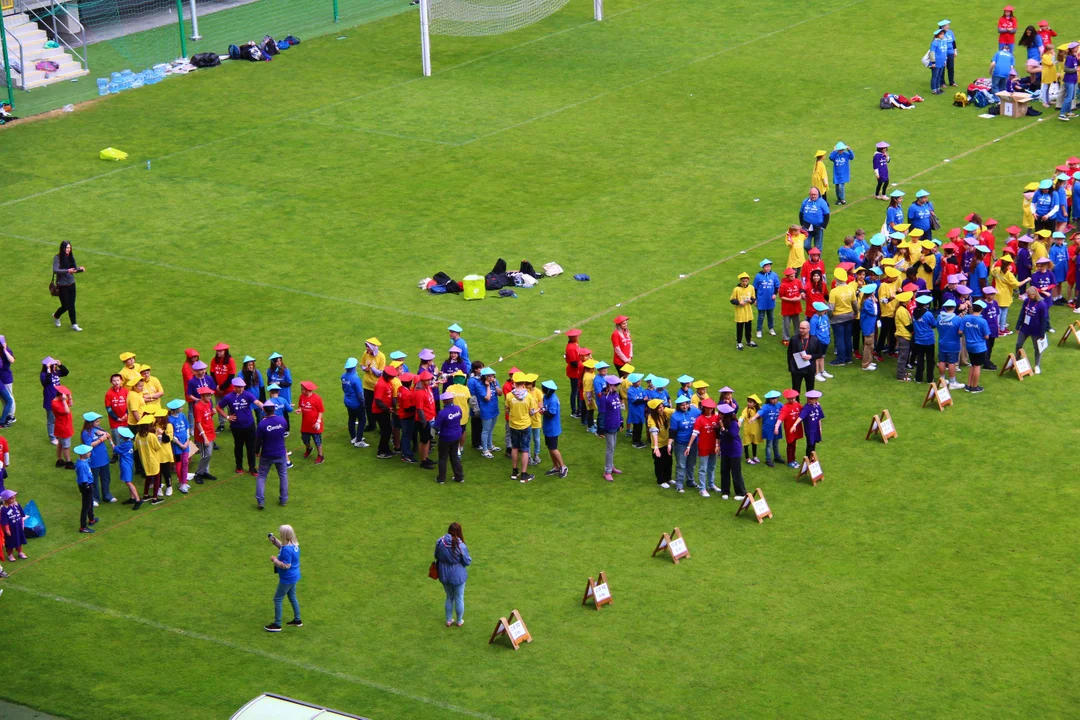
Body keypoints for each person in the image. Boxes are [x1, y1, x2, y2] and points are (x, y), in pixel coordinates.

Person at [218, 377, 261, 475]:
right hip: (237, 427)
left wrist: (263, 406)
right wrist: (227, 417)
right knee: (238, 447)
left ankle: (252, 467)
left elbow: (256, 402)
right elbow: (218, 407)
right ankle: (239, 466)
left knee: (251, 447)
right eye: (239, 387)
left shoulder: (248, 395)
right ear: (234, 387)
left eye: (242, 387)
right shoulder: (228, 397)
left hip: (250, 425)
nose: (241, 389)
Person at [433, 522, 470, 628]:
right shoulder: (461, 545)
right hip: (458, 574)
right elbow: (467, 561)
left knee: (449, 597)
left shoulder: (440, 541)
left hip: (443, 572)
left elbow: (436, 555)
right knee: (459, 598)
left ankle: (448, 620)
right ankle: (459, 621)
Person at [265, 525, 302, 632]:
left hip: (287, 578)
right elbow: (283, 547)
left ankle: (277, 624)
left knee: (277, 599)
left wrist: (275, 560)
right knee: (292, 597)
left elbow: (286, 565)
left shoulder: (286, 549)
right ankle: (297, 620)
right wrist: (274, 540)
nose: (280, 535)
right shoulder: (294, 544)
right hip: (294, 575)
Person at [255, 401, 289, 508]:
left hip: (267, 454)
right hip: (281, 453)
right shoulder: (282, 420)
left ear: (264, 410)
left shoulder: (262, 424)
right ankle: (283, 500)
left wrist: (256, 451)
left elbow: (258, 440)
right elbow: (285, 430)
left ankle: (260, 501)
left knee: (261, 476)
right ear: (274, 409)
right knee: (283, 475)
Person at [506, 372, 537, 483]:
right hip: (525, 425)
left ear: (514, 382)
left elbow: (507, 409)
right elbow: (532, 412)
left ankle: (514, 471)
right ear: (524, 383)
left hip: (513, 425)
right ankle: (524, 474)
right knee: (525, 449)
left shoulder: (509, 396)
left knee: (515, 447)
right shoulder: (528, 396)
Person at [51, 241, 85, 332]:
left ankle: (74, 324)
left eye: (69, 248)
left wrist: (80, 269)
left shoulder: (70, 257)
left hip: (71, 284)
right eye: (66, 248)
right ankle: (56, 316)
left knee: (72, 305)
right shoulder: (57, 258)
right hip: (62, 285)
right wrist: (67, 271)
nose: (68, 250)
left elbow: (73, 269)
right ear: (62, 248)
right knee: (65, 306)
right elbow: (55, 270)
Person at [80, 411, 113, 505]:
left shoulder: (97, 429)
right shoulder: (85, 433)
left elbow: (105, 433)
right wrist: (101, 439)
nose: (99, 423)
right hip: (94, 460)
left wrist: (105, 434)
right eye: (97, 421)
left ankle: (107, 495)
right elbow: (89, 445)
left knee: (106, 477)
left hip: (104, 458)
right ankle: (94, 498)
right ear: (90, 422)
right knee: (93, 480)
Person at [689, 398, 720, 497]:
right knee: (703, 468)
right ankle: (702, 488)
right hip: (703, 447)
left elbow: (719, 433)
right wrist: (689, 446)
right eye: (707, 408)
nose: (709, 410)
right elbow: (695, 433)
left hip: (714, 447)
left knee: (712, 467)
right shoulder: (699, 419)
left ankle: (711, 484)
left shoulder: (717, 417)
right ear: (704, 408)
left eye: (711, 408)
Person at [433, 390, 464, 484]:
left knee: (443, 458)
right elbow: (460, 418)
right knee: (454, 456)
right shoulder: (458, 408)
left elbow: (436, 426)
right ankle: (459, 477)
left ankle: (441, 478)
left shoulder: (442, 413)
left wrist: (431, 424)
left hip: (445, 437)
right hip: (457, 435)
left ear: (444, 401)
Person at [716, 404, 746, 501]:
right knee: (724, 471)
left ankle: (741, 492)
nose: (719, 414)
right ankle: (725, 491)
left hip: (734, 450)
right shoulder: (721, 421)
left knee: (736, 472)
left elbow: (731, 435)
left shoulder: (733, 424)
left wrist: (722, 428)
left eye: (720, 413)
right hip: (725, 450)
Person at [1015, 286, 1048, 373]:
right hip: (1025, 327)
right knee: (1018, 344)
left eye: (1029, 295)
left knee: (1037, 348)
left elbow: (1044, 320)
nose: (1027, 296)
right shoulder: (1027, 301)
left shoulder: (1042, 305)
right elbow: (1022, 313)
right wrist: (1018, 326)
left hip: (1036, 330)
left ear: (1034, 295)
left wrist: (1042, 334)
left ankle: (1037, 365)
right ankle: (1017, 362)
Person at [828, 268, 857, 366]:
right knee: (847, 338)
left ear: (836, 279)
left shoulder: (834, 291)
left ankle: (840, 359)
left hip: (837, 318)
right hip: (849, 316)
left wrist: (830, 317)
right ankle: (848, 358)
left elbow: (831, 308)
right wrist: (856, 313)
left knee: (840, 339)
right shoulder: (851, 288)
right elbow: (855, 303)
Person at [597, 375, 624, 482]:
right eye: (615, 385)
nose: (617, 387)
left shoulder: (616, 394)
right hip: (608, 426)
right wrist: (601, 428)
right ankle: (607, 471)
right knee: (610, 448)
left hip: (615, 424)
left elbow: (618, 410)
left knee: (613, 447)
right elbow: (602, 414)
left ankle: (611, 466)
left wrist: (621, 421)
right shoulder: (604, 398)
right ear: (610, 385)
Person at [538, 380, 566, 477]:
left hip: (553, 428)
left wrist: (541, 410)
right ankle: (555, 467)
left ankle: (563, 466)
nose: (542, 390)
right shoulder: (546, 397)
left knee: (553, 448)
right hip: (547, 427)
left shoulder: (553, 400)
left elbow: (551, 414)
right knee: (550, 448)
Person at [293, 381, 325, 464]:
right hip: (305, 424)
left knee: (317, 440)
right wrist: (299, 410)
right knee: (305, 439)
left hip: (315, 424)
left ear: (308, 390)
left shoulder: (317, 398)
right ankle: (309, 448)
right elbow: (301, 406)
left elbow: (321, 411)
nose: (301, 391)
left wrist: (318, 421)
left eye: (303, 389)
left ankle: (320, 456)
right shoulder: (302, 397)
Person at [340, 357, 368, 449]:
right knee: (362, 420)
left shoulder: (343, 376)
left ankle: (353, 437)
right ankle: (359, 440)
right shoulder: (355, 378)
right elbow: (360, 394)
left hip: (348, 401)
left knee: (351, 419)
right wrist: (364, 404)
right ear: (354, 367)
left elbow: (343, 388)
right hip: (356, 403)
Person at [645, 398, 673, 489]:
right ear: (654, 410)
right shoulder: (651, 418)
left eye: (662, 406)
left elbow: (675, 412)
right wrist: (656, 447)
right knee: (659, 463)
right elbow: (654, 432)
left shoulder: (665, 411)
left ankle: (668, 478)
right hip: (658, 445)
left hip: (667, 442)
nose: (662, 409)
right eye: (659, 407)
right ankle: (660, 481)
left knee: (669, 461)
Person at [40, 356, 68, 445]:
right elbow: (47, 381)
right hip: (50, 400)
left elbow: (65, 372)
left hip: (58, 399)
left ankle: (57, 434)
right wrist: (48, 370)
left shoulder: (55, 372)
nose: (55, 366)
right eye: (53, 365)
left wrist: (61, 365)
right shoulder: (44, 375)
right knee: (51, 420)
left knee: (58, 418)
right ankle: (52, 437)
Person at [192, 386, 217, 483]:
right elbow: (198, 423)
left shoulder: (208, 403)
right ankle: (198, 473)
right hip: (203, 436)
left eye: (210, 395)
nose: (210, 397)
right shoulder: (198, 407)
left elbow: (206, 417)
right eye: (208, 396)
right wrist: (205, 437)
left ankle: (205, 472)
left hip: (210, 432)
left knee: (209, 454)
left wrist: (212, 414)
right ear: (202, 396)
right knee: (206, 455)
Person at [360, 338, 386, 433]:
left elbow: (380, 373)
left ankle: (381, 426)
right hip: (367, 385)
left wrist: (372, 368)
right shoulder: (365, 354)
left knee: (379, 407)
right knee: (368, 406)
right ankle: (372, 424)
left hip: (377, 386)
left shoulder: (381, 356)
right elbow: (362, 365)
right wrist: (365, 369)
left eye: (368, 347)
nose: (367, 349)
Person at [165, 400, 191, 493]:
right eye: (180, 407)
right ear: (176, 409)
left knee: (186, 462)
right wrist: (181, 445)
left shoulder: (182, 416)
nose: (182, 408)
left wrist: (187, 441)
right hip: (177, 446)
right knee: (179, 464)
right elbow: (172, 435)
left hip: (185, 444)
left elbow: (187, 428)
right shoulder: (169, 420)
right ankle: (181, 482)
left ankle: (184, 481)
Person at [114, 426, 142, 508]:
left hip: (126, 465)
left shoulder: (125, 445)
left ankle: (137, 499)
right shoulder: (129, 443)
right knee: (129, 480)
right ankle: (132, 498)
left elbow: (116, 449)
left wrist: (110, 440)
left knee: (128, 482)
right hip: (129, 464)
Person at [475, 367, 501, 458]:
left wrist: (495, 384)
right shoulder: (480, 386)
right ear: (484, 377)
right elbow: (487, 398)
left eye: (492, 376)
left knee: (491, 429)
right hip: (486, 411)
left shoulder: (494, 382)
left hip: (494, 409)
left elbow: (500, 393)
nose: (491, 377)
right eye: (488, 376)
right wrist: (488, 386)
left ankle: (490, 446)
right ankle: (485, 450)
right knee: (486, 430)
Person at [209, 343, 236, 432]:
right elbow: (212, 375)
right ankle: (221, 424)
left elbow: (231, 376)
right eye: (217, 351)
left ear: (225, 351)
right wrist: (217, 387)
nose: (218, 353)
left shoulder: (230, 361)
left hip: (228, 390)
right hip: (217, 390)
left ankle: (232, 423)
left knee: (230, 407)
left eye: (220, 351)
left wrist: (222, 388)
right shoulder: (214, 361)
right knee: (219, 407)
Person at [371, 365, 396, 459]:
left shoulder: (387, 382)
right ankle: (381, 451)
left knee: (387, 430)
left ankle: (386, 449)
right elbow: (378, 401)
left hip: (384, 410)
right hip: (380, 411)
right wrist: (388, 409)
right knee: (386, 430)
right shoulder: (381, 384)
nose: (393, 378)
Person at [912, 295, 938, 383]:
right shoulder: (928, 314)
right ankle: (930, 379)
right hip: (929, 341)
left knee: (920, 359)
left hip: (918, 340)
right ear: (926, 304)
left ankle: (918, 378)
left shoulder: (914, 312)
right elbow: (934, 324)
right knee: (930, 360)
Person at [73, 444, 98, 533]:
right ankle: (83, 527)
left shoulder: (82, 461)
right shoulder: (82, 465)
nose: (90, 453)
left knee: (90, 502)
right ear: (83, 454)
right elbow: (84, 479)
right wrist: (88, 487)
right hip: (86, 486)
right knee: (86, 506)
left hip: (88, 485)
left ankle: (91, 519)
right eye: (88, 452)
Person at [776, 389, 804, 468]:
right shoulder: (785, 407)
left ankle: (793, 460)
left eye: (793, 398)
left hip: (796, 428)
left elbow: (804, 411)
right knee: (790, 444)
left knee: (794, 444)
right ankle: (790, 461)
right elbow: (781, 417)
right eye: (790, 398)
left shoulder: (797, 405)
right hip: (789, 429)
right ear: (787, 399)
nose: (792, 400)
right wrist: (777, 426)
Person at [793, 390, 825, 457]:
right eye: (810, 399)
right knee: (810, 444)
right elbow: (800, 417)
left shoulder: (817, 406)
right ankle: (808, 459)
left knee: (814, 444)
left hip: (816, 429)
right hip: (809, 430)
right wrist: (795, 425)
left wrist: (820, 428)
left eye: (814, 399)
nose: (812, 400)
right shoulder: (806, 408)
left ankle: (812, 458)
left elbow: (819, 418)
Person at [753, 259, 780, 338]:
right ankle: (759, 330)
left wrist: (775, 294)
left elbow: (777, 286)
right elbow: (755, 288)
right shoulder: (758, 276)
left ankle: (771, 329)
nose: (768, 268)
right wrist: (755, 299)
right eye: (766, 267)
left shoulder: (774, 275)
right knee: (761, 316)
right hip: (761, 300)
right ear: (763, 267)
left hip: (770, 300)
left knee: (770, 316)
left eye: (769, 266)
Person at [787, 321, 816, 394]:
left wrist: (811, 356)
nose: (801, 330)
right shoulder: (794, 339)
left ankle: (810, 405)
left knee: (810, 390)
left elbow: (819, 353)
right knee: (795, 391)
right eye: (800, 328)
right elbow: (789, 354)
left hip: (809, 369)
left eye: (803, 328)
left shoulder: (815, 340)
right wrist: (791, 368)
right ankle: (796, 405)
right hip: (797, 369)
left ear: (808, 329)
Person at [731, 272, 757, 350]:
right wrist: (739, 302)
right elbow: (732, 300)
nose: (744, 282)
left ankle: (748, 341)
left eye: (746, 281)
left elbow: (753, 298)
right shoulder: (736, 289)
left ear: (748, 281)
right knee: (740, 328)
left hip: (748, 312)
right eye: (743, 281)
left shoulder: (751, 288)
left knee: (748, 327)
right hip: (740, 312)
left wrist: (750, 301)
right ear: (740, 281)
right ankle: (739, 342)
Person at [799, 187, 830, 252]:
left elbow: (827, 215)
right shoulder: (805, 202)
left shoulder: (822, 202)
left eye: (814, 194)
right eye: (811, 194)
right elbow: (801, 213)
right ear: (809, 194)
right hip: (806, 228)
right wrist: (802, 224)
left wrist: (823, 226)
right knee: (806, 245)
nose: (813, 196)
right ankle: (812, 256)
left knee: (818, 248)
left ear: (818, 194)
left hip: (818, 228)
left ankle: (817, 260)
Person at [758, 391, 783, 468]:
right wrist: (753, 418)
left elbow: (786, 410)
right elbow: (760, 412)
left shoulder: (780, 405)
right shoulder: (766, 406)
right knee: (769, 444)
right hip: (769, 428)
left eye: (776, 398)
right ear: (769, 399)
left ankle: (776, 456)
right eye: (773, 399)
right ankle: (768, 459)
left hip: (777, 428)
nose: (775, 400)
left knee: (776, 443)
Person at [893, 291, 914, 381]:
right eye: (909, 299)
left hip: (904, 335)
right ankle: (900, 376)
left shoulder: (902, 309)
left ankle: (903, 371)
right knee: (903, 356)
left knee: (904, 355)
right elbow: (908, 325)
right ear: (905, 301)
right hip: (903, 335)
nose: (910, 300)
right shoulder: (902, 311)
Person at [52, 384, 74, 469]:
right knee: (66, 446)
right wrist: (65, 401)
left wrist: (69, 395)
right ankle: (68, 462)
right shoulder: (56, 404)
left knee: (60, 444)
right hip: (63, 427)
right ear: (60, 395)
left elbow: (71, 404)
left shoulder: (59, 400)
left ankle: (59, 460)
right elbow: (67, 411)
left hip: (64, 426)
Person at [779, 268, 804, 343]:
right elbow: (781, 296)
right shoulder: (783, 285)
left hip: (796, 307)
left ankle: (797, 337)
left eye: (794, 276)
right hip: (787, 308)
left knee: (797, 323)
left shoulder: (798, 281)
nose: (793, 278)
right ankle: (786, 338)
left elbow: (801, 290)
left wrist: (799, 297)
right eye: (791, 276)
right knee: (786, 324)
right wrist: (791, 300)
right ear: (787, 277)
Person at [0, 489, 27, 555]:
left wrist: (22, 524)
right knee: (10, 541)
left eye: (14, 498)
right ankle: (10, 554)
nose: (14, 499)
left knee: (19, 539)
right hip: (11, 528)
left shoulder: (17, 505)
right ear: (6, 499)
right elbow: (4, 521)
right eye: (11, 498)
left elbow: (22, 515)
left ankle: (20, 551)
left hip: (18, 526)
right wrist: (7, 530)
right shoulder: (4, 509)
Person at [563, 329, 583, 418]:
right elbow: (573, 363)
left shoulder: (574, 344)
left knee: (577, 391)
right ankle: (575, 411)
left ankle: (579, 410)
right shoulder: (571, 347)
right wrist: (583, 364)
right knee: (576, 391)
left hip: (576, 371)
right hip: (574, 372)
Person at [859, 284, 879, 371]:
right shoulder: (867, 302)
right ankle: (865, 364)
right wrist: (875, 303)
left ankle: (869, 361)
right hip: (868, 326)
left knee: (871, 345)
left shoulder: (869, 300)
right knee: (868, 345)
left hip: (870, 325)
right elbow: (874, 312)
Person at [740, 395, 762, 465]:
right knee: (746, 444)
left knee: (754, 443)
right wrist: (740, 421)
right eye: (748, 402)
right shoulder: (746, 410)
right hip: (747, 430)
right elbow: (742, 416)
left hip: (755, 430)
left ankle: (754, 456)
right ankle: (747, 458)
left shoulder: (758, 410)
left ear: (755, 403)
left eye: (751, 402)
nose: (748, 403)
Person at [1061, 43, 1079, 121]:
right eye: (1076, 47)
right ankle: (1061, 114)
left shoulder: (1074, 57)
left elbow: (1077, 64)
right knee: (1068, 98)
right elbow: (1066, 69)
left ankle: (1069, 112)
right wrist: (1076, 70)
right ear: (1072, 49)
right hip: (1069, 80)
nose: (1078, 48)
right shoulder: (1069, 58)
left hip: (1073, 79)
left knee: (1071, 97)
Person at [0, 337, 14, 428]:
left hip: (5, 379)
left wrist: (5, 350)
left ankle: (10, 416)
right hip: (1, 381)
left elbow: (12, 360)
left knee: (8, 399)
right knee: (8, 400)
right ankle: (4, 420)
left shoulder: (6, 351)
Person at [930, 28, 949, 94]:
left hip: (942, 62)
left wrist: (945, 61)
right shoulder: (935, 43)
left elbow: (944, 52)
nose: (943, 35)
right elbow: (932, 52)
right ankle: (934, 90)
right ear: (938, 35)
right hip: (936, 63)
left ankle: (938, 88)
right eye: (941, 34)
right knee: (935, 76)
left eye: (943, 34)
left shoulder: (943, 42)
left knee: (939, 75)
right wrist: (933, 62)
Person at [940, 19, 958, 87]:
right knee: (942, 68)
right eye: (947, 25)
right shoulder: (940, 34)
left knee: (951, 67)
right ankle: (942, 83)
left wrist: (955, 50)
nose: (948, 26)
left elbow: (953, 42)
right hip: (943, 53)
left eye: (948, 25)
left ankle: (952, 82)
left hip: (950, 53)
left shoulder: (950, 32)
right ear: (943, 26)